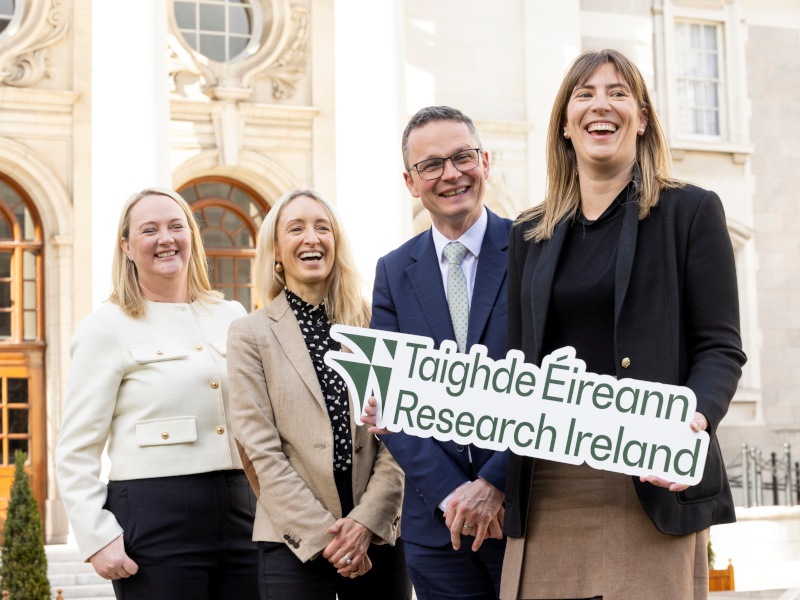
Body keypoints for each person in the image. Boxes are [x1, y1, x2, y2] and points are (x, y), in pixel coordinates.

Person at [501, 49, 747, 600]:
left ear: (642, 117)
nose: (600, 105)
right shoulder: (528, 234)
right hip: (546, 487)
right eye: (583, 95)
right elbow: (512, 367)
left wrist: (693, 423)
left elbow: (719, 349)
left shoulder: (692, 212)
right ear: (565, 124)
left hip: (650, 481)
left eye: (617, 93)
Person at [55, 187, 258, 599]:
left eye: (175, 226)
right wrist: (96, 536)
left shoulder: (232, 315)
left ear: (192, 238)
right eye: (149, 230)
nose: (165, 238)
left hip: (242, 509)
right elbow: (76, 448)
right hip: (155, 514)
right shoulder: (105, 326)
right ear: (127, 247)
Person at [226, 189, 411, 600]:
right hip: (295, 543)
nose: (312, 238)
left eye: (322, 227)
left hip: (379, 536)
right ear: (276, 250)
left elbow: (400, 435)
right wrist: (329, 538)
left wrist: (365, 523)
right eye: (296, 228)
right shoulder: (250, 334)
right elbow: (260, 451)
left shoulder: (374, 321)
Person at [367, 105, 511, 599]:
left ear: (485, 162)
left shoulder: (536, 249)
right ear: (411, 181)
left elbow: (556, 385)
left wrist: (494, 485)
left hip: (523, 515)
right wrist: (456, 494)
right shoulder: (392, 271)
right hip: (436, 523)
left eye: (462, 157)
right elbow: (388, 399)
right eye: (431, 165)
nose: (450, 174)